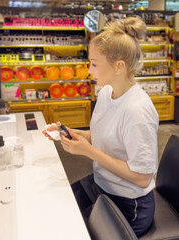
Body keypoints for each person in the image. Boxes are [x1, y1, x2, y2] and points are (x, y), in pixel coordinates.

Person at [42, 17, 159, 237]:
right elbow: (103, 136)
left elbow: (142, 177)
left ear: (119, 66)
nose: (89, 70)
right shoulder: (106, 92)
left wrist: (89, 152)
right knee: (54, 212)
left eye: (94, 64)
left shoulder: (137, 111)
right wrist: (73, 134)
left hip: (129, 205)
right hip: (102, 185)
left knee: (69, 230)